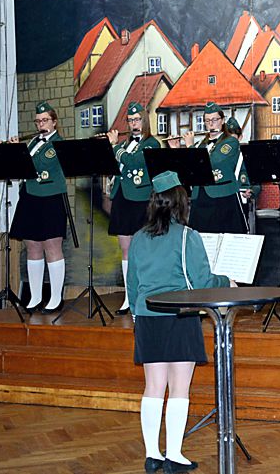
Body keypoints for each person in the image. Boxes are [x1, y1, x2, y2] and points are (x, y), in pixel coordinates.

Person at [127, 170, 230, 474]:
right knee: (179, 388)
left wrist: (136, 315)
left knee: (153, 387)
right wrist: (227, 281)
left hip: (146, 316)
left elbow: (132, 283)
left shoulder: (138, 237)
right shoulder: (188, 236)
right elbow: (203, 282)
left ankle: (152, 455)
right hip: (180, 316)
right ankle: (174, 455)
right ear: (180, 202)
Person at [8, 101, 67, 314]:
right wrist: (14, 153)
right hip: (30, 197)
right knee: (32, 246)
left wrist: (18, 152)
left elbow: (41, 165)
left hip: (50, 198)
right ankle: (35, 297)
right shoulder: (33, 142)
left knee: (52, 246)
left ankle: (56, 298)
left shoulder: (58, 144)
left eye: (45, 120)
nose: (41, 124)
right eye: (38, 121)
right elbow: (22, 167)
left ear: (54, 122)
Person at [107, 102, 160, 315]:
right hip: (122, 197)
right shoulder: (124, 144)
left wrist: (114, 147)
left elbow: (134, 161)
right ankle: (128, 296)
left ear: (144, 121)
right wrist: (113, 149)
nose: (133, 124)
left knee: (143, 248)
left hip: (141, 198)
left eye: (137, 120)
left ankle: (145, 294)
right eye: (130, 121)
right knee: (126, 248)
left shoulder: (151, 143)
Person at [176, 102, 250, 234]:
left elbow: (214, 161)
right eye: (207, 120)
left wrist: (190, 147)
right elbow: (188, 168)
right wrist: (176, 148)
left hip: (222, 198)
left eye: (215, 120)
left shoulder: (231, 142)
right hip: (200, 197)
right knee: (200, 239)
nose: (211, 124)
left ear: (222, 121)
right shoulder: (200, 144)